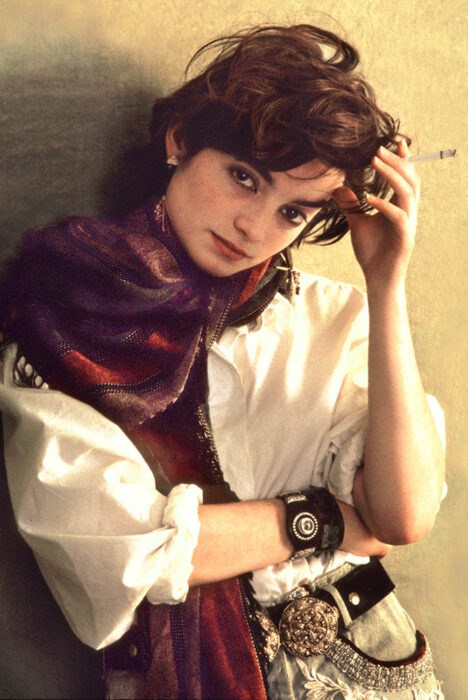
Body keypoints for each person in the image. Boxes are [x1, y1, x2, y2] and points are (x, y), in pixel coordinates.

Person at [0, 24, 446, 699]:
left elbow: (403, 519)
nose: (254, 228)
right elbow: (124, 557)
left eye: (292, 211)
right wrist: (325, 520)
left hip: (369, 659)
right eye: (244, 178)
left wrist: (387, 285)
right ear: (180, 139)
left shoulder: (333, 317)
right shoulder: (64, 317)